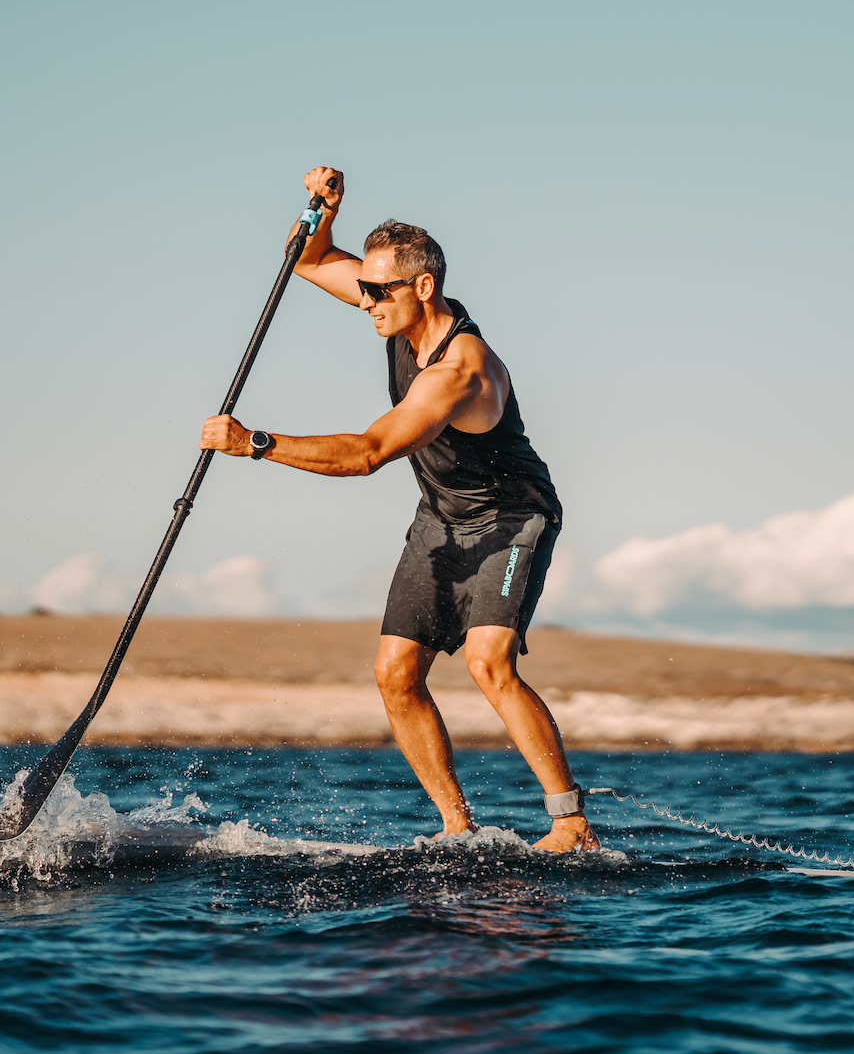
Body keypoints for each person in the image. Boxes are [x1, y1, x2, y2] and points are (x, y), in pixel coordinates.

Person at [200, 167, 598, 853]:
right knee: (394, 673)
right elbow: (311, 258)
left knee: (488, 663)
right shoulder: (397, 314)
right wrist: (325, 210)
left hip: (511, 519)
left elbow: (368, 451)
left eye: (378, 292)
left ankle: (570, 824)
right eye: (366, 291)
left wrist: (256, 444)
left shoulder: (459, 370)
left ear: (422, 287)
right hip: (439, 516)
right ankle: (456, 827)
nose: (365, 304)